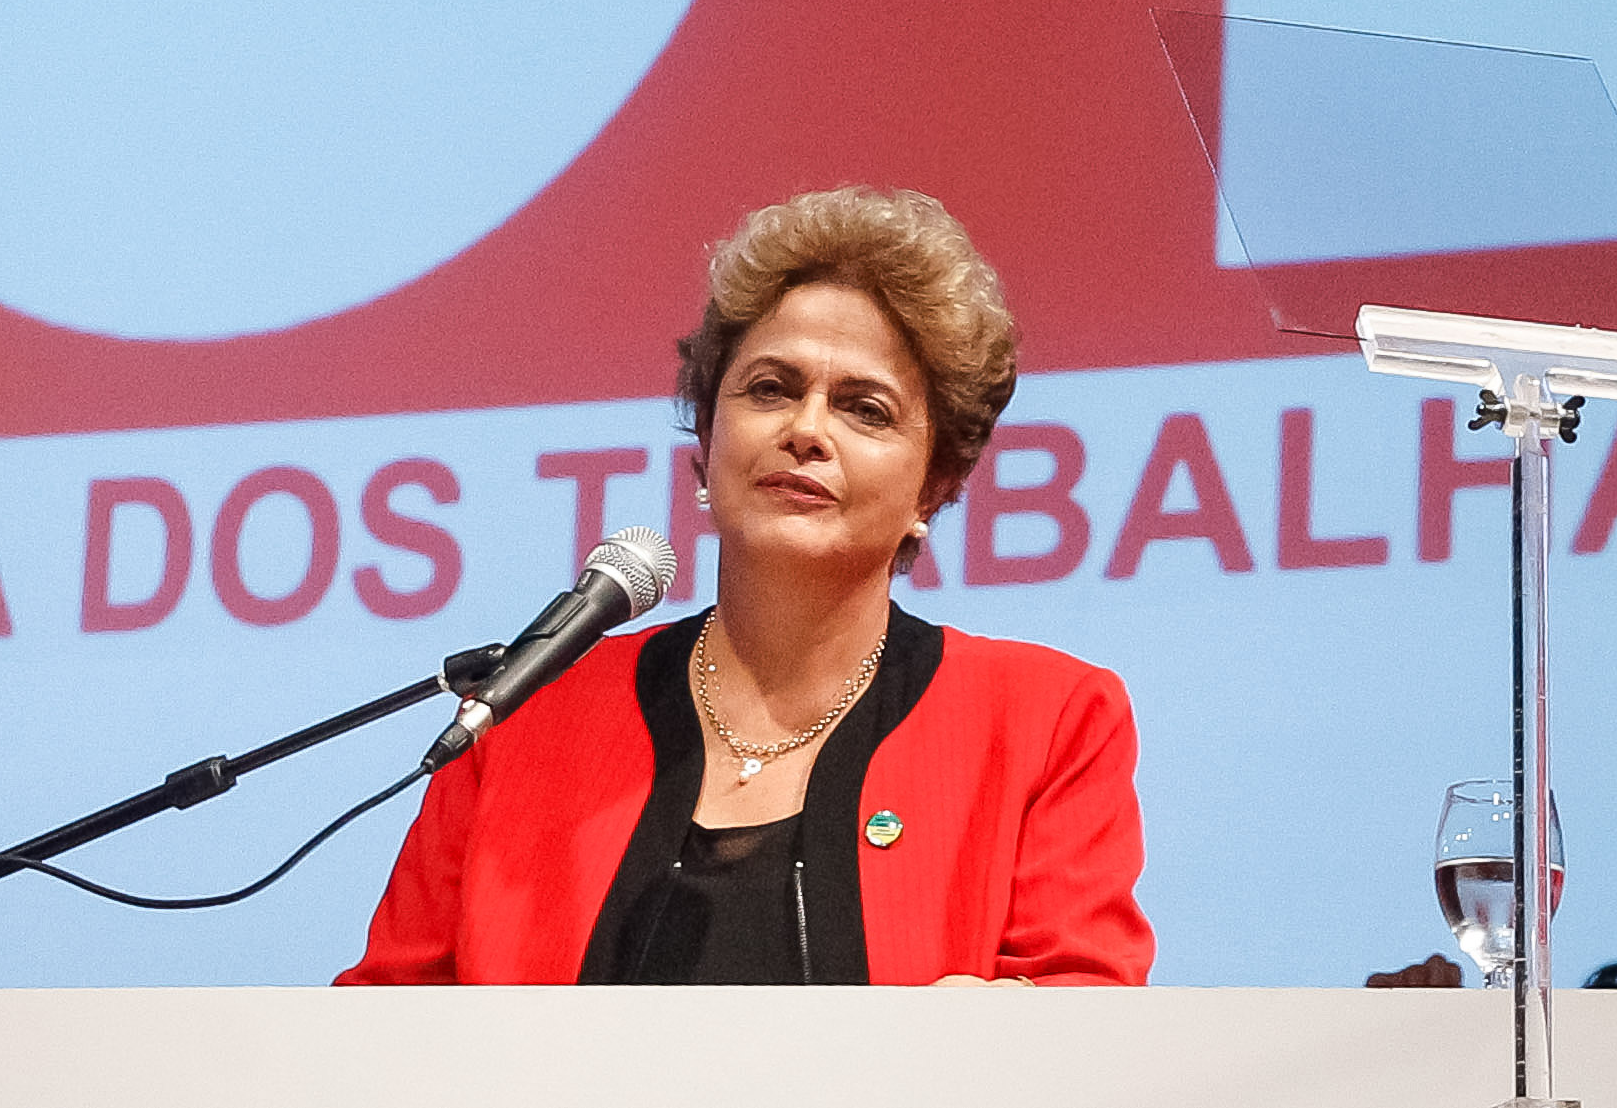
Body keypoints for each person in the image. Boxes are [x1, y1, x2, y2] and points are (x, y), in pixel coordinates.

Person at [340, 187, 1152, 985]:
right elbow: (381, 1035)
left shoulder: (1046, 721)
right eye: (771, 389)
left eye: (865, 409)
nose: (806, 428)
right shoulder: (523, 720)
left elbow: (1086, 1023)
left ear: (934, 484)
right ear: (708, 431)